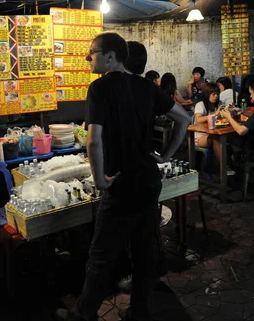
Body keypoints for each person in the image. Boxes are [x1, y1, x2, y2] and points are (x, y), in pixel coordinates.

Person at [56, 32, 190, 321]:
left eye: (92, 52)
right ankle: (140, 311)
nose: (87, 57)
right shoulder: (145, 86)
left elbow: (93, 141)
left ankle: (84, 314)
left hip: (122, 183)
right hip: (148, 180)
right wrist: (165, 155)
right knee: (144, 250)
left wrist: (101, 180)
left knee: (102, 253)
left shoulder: (100, 88)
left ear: (111, 56)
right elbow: (184, 118)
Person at [194, 82, 235, 175]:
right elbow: (198, 119)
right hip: (200, 137)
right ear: (207, 94)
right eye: (213, 94)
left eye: (217, 94)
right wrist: (215, 114)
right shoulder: (200, 105)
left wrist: (230, 111)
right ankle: (224, 168)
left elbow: (224, 117)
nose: (216, 96)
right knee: (215, 139)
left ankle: (236, 164)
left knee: (233, 137)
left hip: (216, 133)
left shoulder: (219, 103)